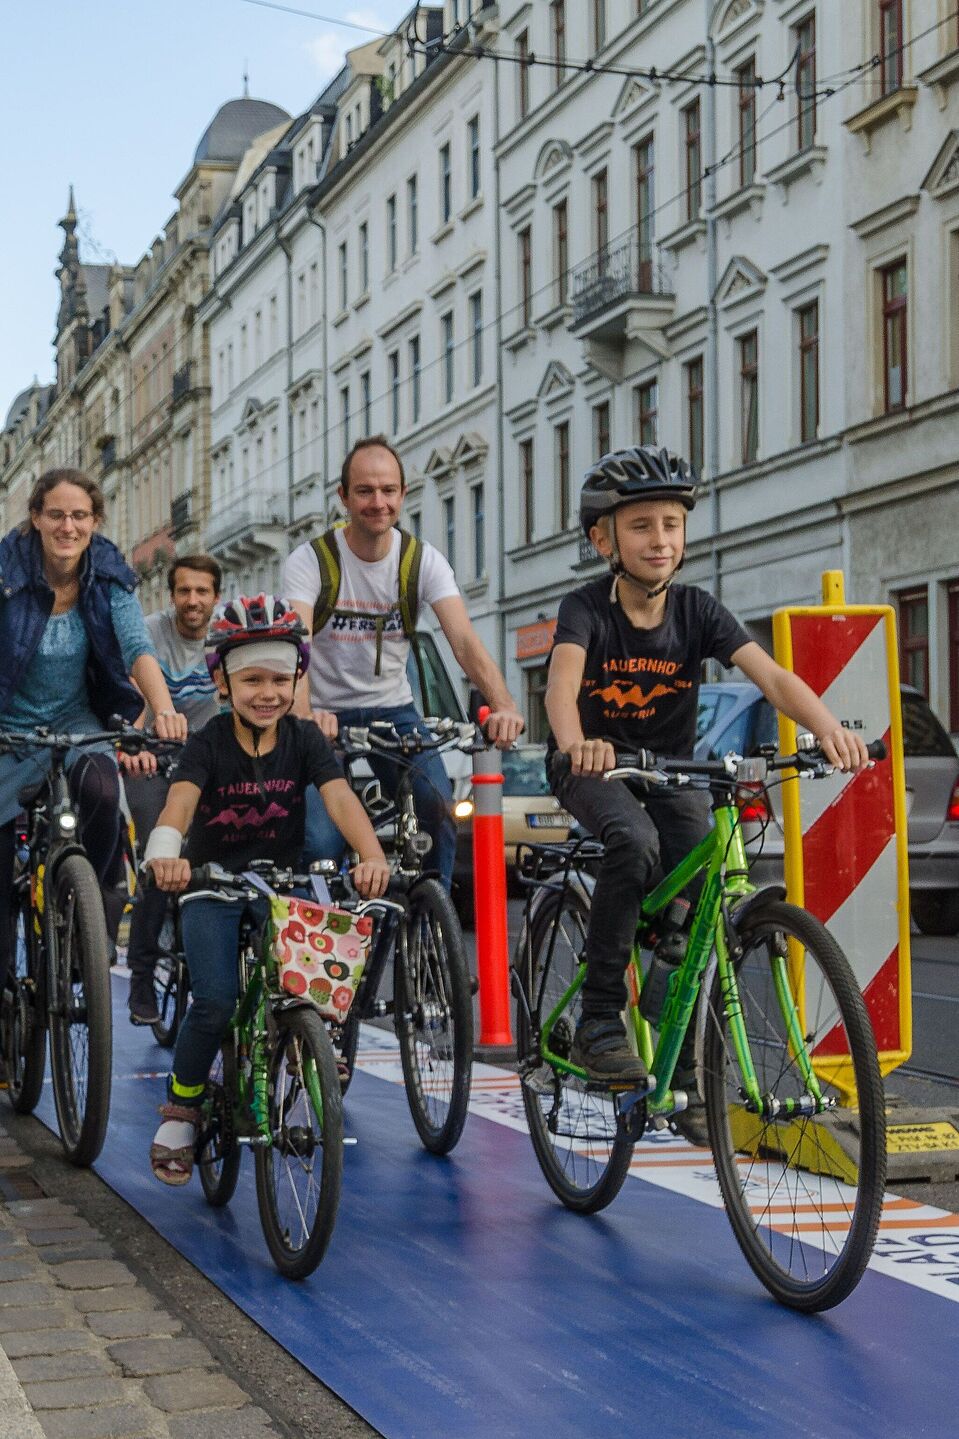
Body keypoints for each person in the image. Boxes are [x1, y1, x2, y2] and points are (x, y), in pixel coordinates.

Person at [545, 446, 869, 1142]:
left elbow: (772, 678)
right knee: (631, 842)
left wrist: (827, 729)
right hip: (593, 768)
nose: (659, 539)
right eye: (640, 526)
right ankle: (601, 1014)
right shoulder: (583, 609)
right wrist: (577, 742)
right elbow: (560, 687)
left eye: (670, 524)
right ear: (603, 539)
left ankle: (678, 1058)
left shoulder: (696, 609)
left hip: (671, 769)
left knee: (711, 887)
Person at [143, 595, 391, 1186]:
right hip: (210, 886)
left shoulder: (305, 739)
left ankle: (310, 1043)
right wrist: (166, 852)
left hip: (280, 884)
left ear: (296, 679)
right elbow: (180, 803)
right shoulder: (207, 743)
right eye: (251, 679)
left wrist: (371, 853)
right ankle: (181, 1107)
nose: (267, 692)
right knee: (215, 1001)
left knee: (312, 982)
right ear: (223, 684)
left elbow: (337, 797)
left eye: (280, 679)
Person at [282, 435, 524, 888]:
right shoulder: (312, 561)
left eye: (388, 490)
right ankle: (324, 937)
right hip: (323, 714)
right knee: (321, 841)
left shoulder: (420, 560)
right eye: (365, 491)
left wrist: (505, 703)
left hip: (391, 710)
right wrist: (304, 716)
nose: (378, 502)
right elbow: (297, 650)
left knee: (437, 806)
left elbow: (465, 642)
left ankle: (426, 923)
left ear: (403, 494)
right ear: (344, 497)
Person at [0, 469, 187, 999]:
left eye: (79, 515)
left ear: (95, 521)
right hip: (7, 730)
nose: (68, 525)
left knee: (104, 792)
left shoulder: (107, 572)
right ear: (36, 518)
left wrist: (164, 708)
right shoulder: (5, 569)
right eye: (56, 514)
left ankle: (92, 908)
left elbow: (136, 647)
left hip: (77, 722)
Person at [124, 554, 223, 1025]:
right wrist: (134, 742)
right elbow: (135, 697)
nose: (193, 601)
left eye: (202, 591)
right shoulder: (149, 632)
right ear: (172, 596)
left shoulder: (225, 635)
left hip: (204, 763)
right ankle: (142, 978)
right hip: (149, 758)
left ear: (216, 596)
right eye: (184, 591)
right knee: (158, 860)